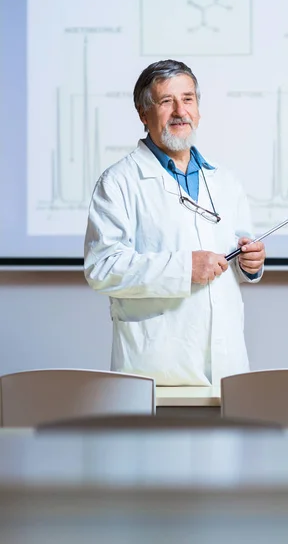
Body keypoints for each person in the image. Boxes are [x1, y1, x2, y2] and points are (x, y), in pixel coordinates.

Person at [84, 60, 265, 386]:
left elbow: (236, 256)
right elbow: (102, 267)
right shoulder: (118, 182)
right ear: (143, 114)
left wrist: (250, 263)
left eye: (189, 99)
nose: (181, 111)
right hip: (154, 368)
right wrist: (184, 269)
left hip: (228, 367)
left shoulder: (225, 181)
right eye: (167, 101)